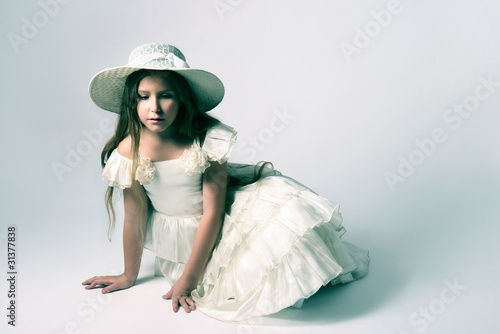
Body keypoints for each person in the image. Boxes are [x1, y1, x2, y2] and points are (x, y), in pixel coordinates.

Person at [82, 43, 370, 322]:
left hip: (217, 223)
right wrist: (128, 275)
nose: (154, 107)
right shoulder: (128, 150)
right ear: (132, 102)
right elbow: (134, 217)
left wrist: (189, 278)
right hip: (177, 236)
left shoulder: (208, 138)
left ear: (182, 99)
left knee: (284, 237)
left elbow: (213, 213)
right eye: (143, 97)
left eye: (165, 95)